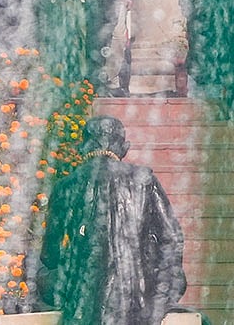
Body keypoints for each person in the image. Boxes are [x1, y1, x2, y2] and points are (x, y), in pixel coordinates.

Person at [39, 116, 186, 323]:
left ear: (82, 146)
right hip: (137, 300)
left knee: (43, 276)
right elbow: (172, 237)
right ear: (124, 148)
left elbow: (49, 256)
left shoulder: (66, 186)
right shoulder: (144, 180)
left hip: (81, 305)